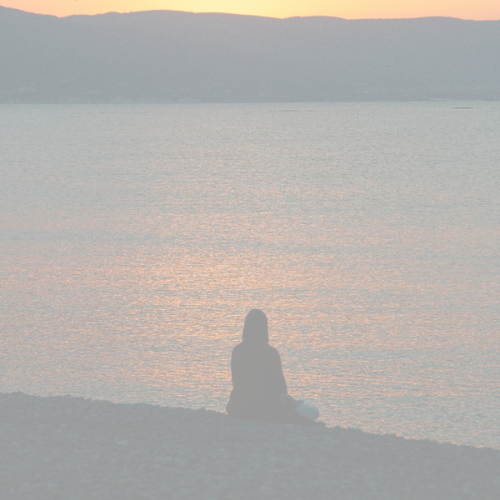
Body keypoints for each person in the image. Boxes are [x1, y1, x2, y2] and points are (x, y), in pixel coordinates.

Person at [226, 309, 321, 425]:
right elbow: (281, 387)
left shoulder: (237, 351)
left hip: (238, 407)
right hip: (266, 408)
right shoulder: (270, 353)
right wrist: (286, 402)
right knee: (313, 411)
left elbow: (237, 382)